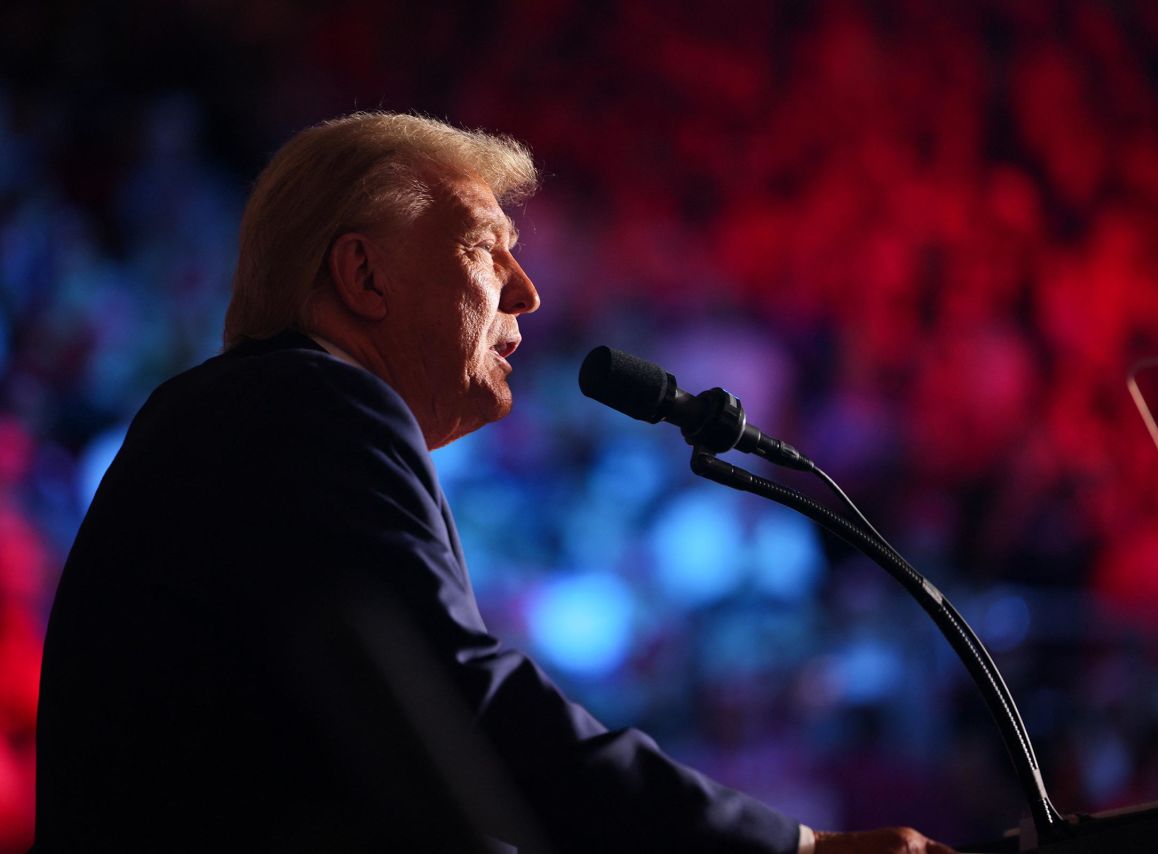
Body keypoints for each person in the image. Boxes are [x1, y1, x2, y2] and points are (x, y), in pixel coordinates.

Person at [35, 112, 953, 853]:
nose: (527, 292)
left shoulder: (259, 413)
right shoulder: (315, 405)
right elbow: (455, 710)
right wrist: (795, 850)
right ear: (362, 275)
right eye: (485, 247)